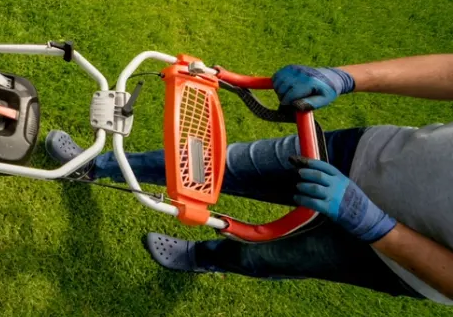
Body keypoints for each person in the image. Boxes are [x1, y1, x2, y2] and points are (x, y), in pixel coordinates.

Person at [45, 55, 453, 302]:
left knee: (270, 253)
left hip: (392, 260)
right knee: (213, 163)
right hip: (370, 155)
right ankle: (96, 166)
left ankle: (206, 258)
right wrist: (345, 78)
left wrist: (375, 227)